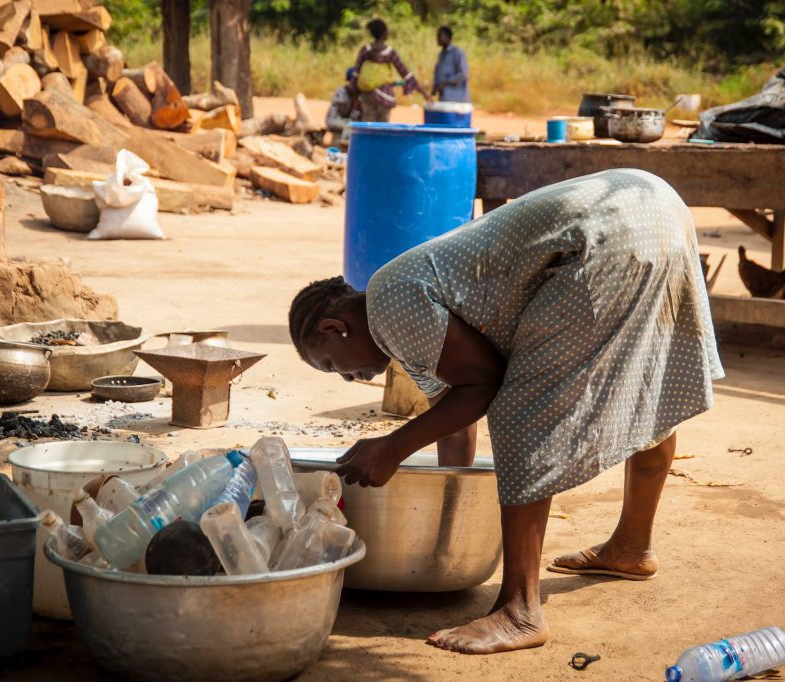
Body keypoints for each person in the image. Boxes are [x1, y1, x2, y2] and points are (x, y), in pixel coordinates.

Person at [288, 169, 723, 655]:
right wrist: (444, 528)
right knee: (642, 382)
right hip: (654, 204)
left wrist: (393, 446)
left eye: (331, 365)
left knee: (521, 411)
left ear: (334, 327)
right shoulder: (403, 315)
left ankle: (520, 610)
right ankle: (631, 547)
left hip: (605, 235)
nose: (349, 380)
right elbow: (455, 411)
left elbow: (483, 384)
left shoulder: (389, 302)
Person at [353, 18, 431, 122]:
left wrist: (354, 97)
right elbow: (405, 73)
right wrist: (423, 93)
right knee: (383, 128)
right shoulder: (390, 52)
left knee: (368, 125)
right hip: (384, 96)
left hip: (367, 95)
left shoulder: (365, 50)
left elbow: (355, 74)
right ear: (384, 33)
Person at [431, 26, 469, 103]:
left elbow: (463, 74)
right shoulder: (441, 55)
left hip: (456, 99)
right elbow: (438, 73)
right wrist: (436, 86)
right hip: (444, 98)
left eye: (440, 35)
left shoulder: (457, 53)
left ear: (448, 37)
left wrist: (446, 83)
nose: (437, 38)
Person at [325, 67, 360, 140]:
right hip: (333, 120)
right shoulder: (341, 92)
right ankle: (345, 144)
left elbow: (354, 116)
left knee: (354, 124)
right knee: (349, 125)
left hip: (345, 120)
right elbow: (341, 109)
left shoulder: (357, 95)